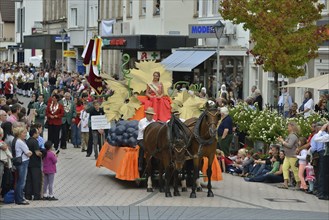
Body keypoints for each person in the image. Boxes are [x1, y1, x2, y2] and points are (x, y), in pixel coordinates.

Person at [277, 122, 300, 189]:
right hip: (288, 155)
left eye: (288, 126)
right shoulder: (290, 135)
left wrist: (282, 141)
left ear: (292, 127)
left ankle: (298, 183)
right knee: (284, 168)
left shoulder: (293, 136)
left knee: (294, 169)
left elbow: (289, 145)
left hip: (292, 155)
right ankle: (285, 183)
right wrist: (282, 141)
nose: (287, 127)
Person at [13, 126, 32, 205]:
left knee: (20, 181)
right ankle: (20, 199)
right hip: (23, 162)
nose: (25, 134)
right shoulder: (20, 142)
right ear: (20, 134)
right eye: (24, 133)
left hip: (21, 162)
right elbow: (28, 153)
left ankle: (19, 198)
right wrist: (30, 152)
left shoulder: (17, 140)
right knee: (21, 182)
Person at [25, 128, 43, 201]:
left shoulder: (28, 141)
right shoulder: (35, 142)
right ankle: (36, 196)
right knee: (36, 180)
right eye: (37, 133)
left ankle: (28, 195)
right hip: (35, 163)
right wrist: (43, 154)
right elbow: (37, 153)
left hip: (28, 162)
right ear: (34, 134)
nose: (38, 134)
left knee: (28, 180)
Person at [313, 122, 329, 200]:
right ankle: (324, 192)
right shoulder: (326, 136)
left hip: (325, 155)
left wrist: (321, 130)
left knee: (323, 174)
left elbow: (316, 139)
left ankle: (322, 193)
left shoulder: (327, 136)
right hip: (325, 154)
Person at [137, 107, 156, 172]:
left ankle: (155, 165)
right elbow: (144, 129)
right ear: (146, 114)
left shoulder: (154, 122)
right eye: (149, 114)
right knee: (143, 148)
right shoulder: (142, 121)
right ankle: (140, 164)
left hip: (151, 140)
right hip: (142, 139)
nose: (150, 116)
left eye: (151, 115)